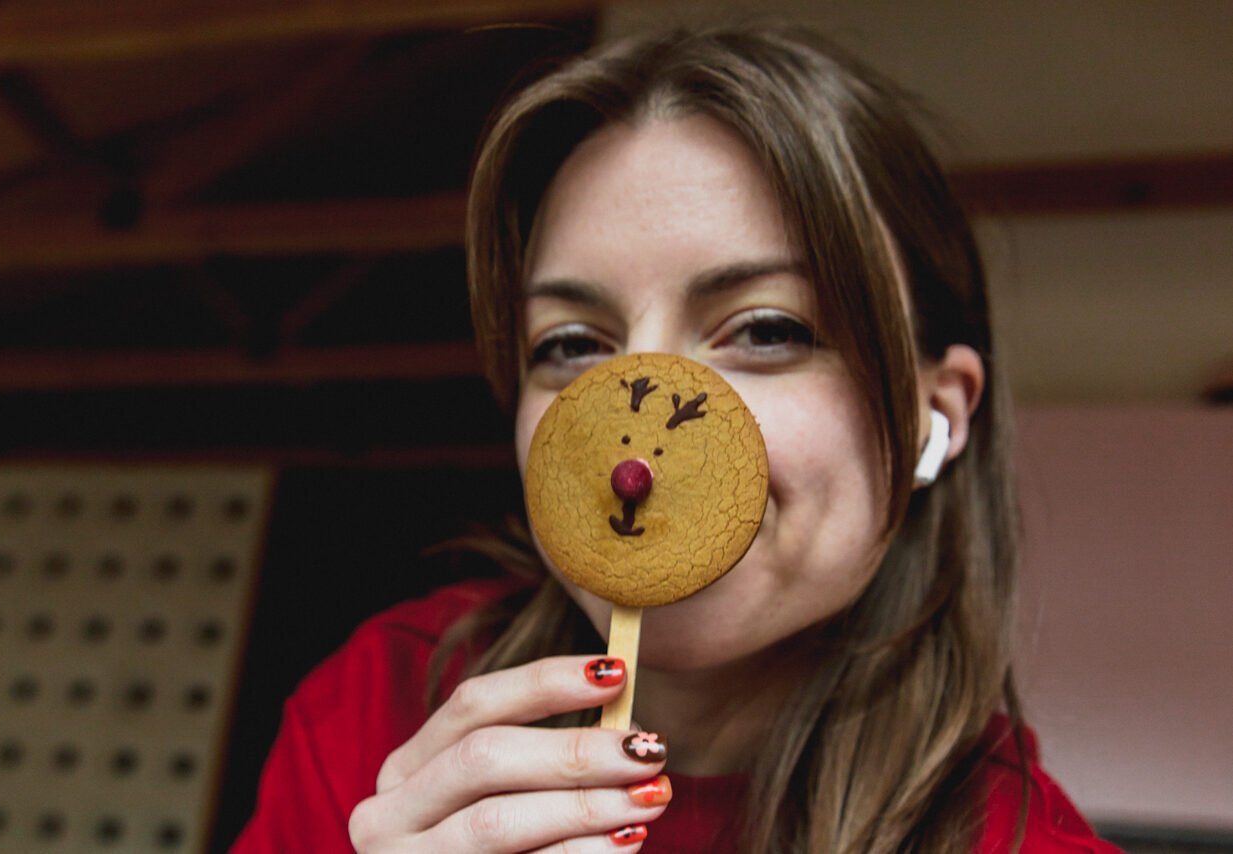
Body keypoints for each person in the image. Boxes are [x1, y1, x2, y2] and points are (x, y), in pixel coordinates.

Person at [234, 24, 1122, 853]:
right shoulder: (374, 711)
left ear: (940, 414)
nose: (635, 445)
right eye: (573, 345)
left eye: (768, 330)